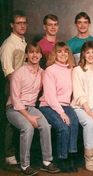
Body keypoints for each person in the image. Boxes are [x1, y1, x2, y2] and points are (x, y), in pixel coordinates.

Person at [6, 42, 60, 175]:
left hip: (31, 107)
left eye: (37, 52)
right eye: (31, 52)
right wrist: (28, 117)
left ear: (41, 55)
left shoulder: (43, 73)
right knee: (28, 127)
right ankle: (25, 165)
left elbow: (49, 89)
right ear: (26, 55)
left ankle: (47, 161)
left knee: (46, 126)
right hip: (14, 108)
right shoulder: (18, 73)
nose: (34, 55)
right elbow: (15, 99)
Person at [39, 42, 79, 172]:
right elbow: (50, 97)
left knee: (74, 123)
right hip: (48, 106)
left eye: (65, 51)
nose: (63, 54)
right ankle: (62, 159)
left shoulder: (71, 69)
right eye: (59, 51)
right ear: (54, 54)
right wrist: (62, 113)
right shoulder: (50, 70)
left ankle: (71, 156)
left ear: (69, 54)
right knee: (63, 127)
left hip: (65, 105)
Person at [71, 41, 93, 171]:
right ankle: (89, 158)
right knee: (89, 123)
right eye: (87, 52)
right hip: (80, 106)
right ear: (83, 54)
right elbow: (78, 93)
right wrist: (88, 111)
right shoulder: (77, 70)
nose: (90, 55)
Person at [0, 10, 27, 168]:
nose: (22, 25)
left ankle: (18, 154)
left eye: (24, 22)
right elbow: (8, 71)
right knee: (11, 120)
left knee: (22, 119)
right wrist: (17, 89)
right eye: (19, 23)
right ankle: (9, 155)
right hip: (12, 87)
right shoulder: (8, 44)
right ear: (12, 25)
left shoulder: (23, 42)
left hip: (25, 87)